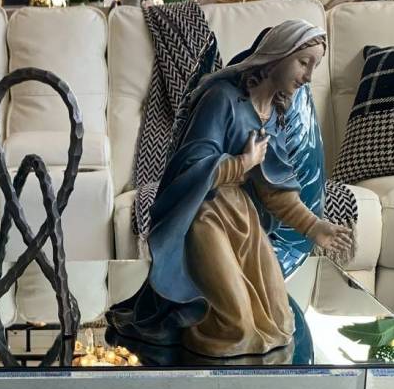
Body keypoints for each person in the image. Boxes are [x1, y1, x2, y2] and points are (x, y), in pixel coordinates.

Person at [108, 19, 353, 357]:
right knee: (237, 329)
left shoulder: (272, 115)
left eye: (314, 66)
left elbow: (275, 191)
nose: (308, 76)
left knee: (279, 322)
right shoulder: (221, 98)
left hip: (243, 218)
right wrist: (241, 163)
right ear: (278, 55)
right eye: (303, 62)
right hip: (203, 217)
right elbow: (189, 168)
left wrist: (315, 227)